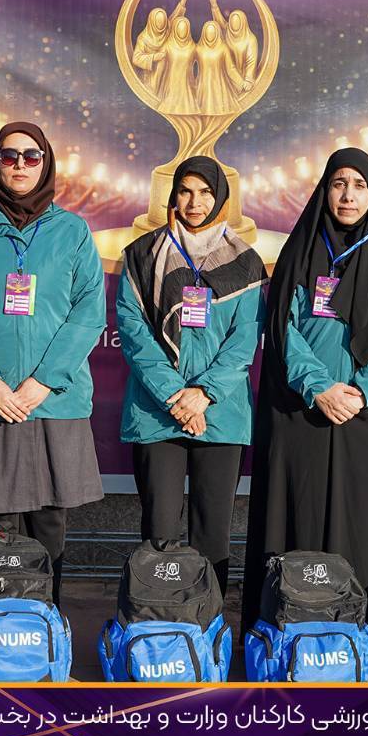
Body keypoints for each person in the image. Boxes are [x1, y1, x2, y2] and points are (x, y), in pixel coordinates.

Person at [242, 147, 368, 647]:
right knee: (301, 522)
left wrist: (361, 391)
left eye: (359, 185)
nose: (348, 195)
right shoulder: (301, 251)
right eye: (338, 183)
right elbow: (283, 328)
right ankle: (295, 630)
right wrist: (318, 387)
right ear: (324, 189)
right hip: (305, 413)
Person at [0, 121, 106, 604]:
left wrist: (44, 382)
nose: (20, 166)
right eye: (9, 156)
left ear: (45, 163)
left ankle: (44, 622)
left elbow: (89, 312)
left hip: (52, 401)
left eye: (32, 157)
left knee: (49, 521)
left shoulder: (72, 231)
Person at [116, 156, 266, 595]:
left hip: (221, 413)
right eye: (185, 191)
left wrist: (203, 394)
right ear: (173, 195)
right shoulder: (141, 256)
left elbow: (244, 341)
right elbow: (134, 335)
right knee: (159, 529)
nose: (194, 202)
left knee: (213, 532)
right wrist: (175, 397)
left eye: (205, 192)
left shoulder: (247, 262)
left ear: (221, 198)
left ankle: (208, 619)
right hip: (157, 412)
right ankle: (158, 617)